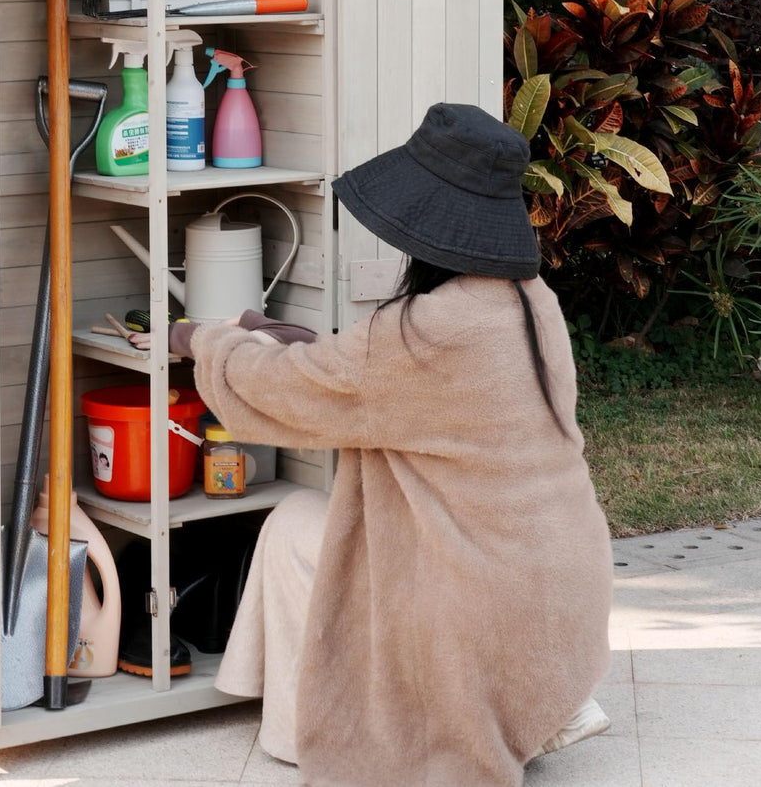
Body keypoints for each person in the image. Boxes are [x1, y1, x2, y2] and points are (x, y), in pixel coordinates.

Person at [134, 103, 613, 787]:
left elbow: (286, 389)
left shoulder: (429, 330)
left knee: (292, 525)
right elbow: (363, 376)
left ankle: (306, 732)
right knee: (327, 532)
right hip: (564, 603)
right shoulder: (531, 300)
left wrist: (196, 338)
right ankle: (543, 708)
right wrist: (260, 324)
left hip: (486, 616)